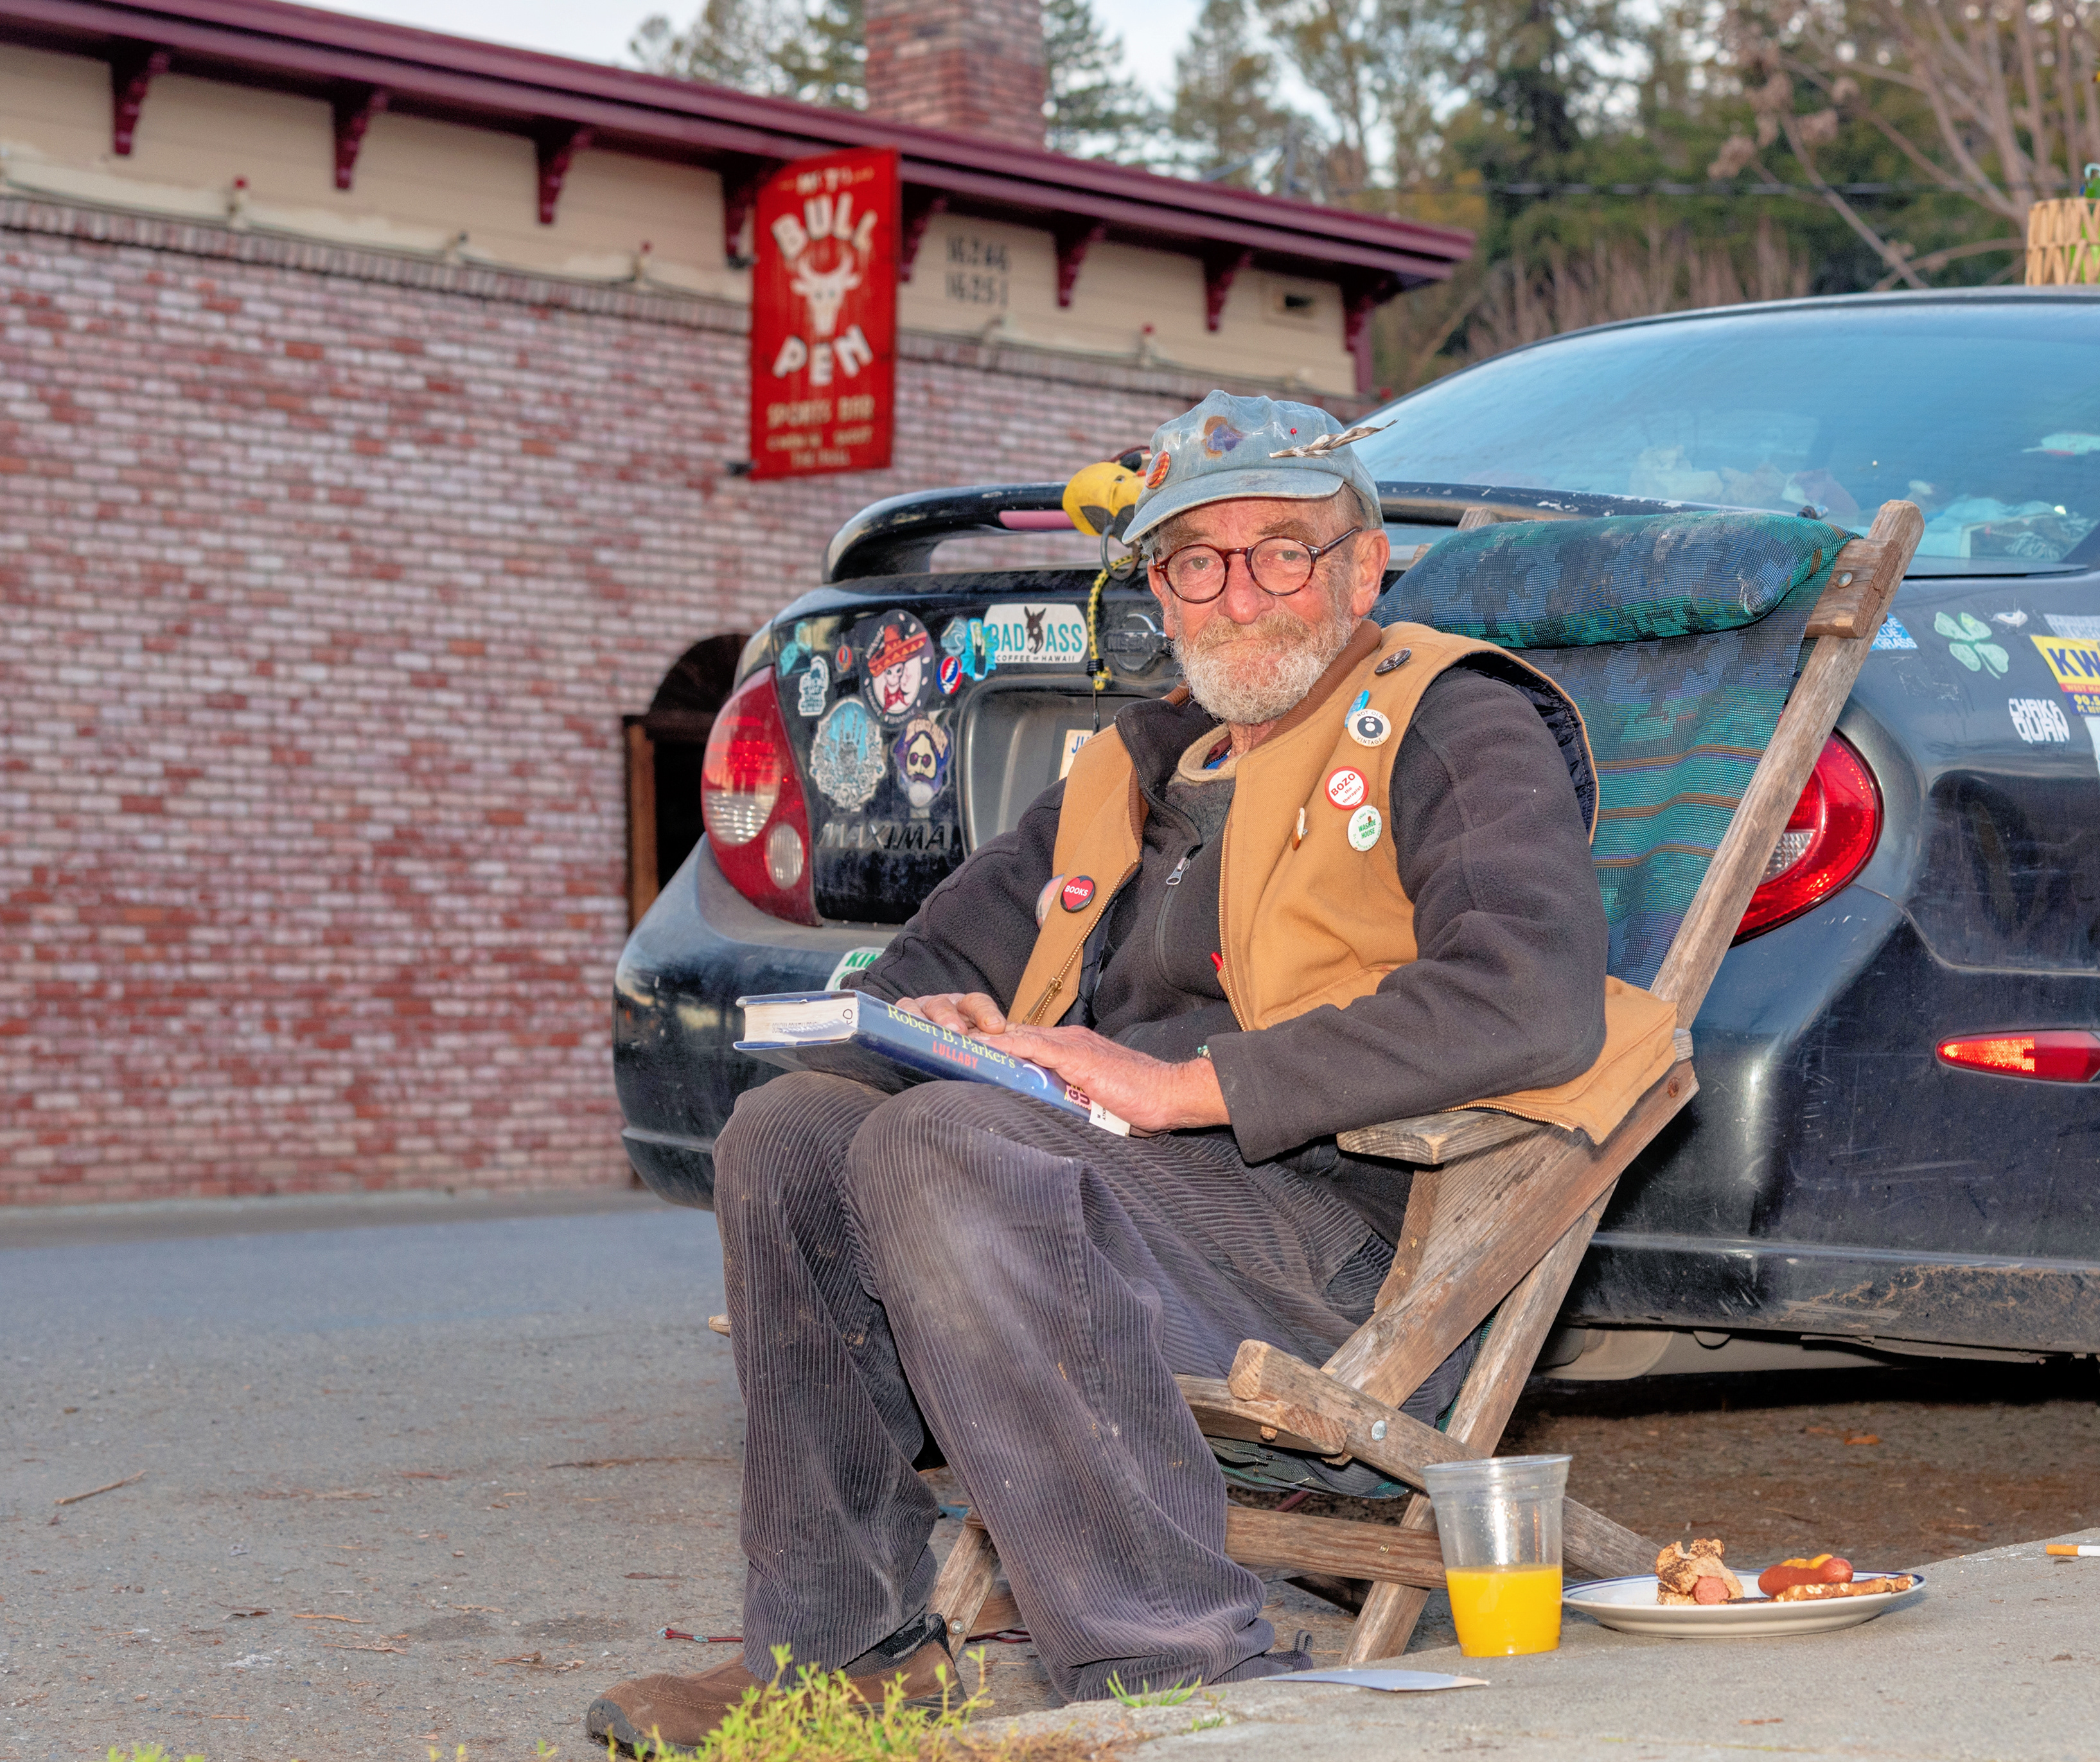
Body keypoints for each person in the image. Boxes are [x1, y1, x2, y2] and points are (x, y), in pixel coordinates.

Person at [585, 391, 1673, 1750]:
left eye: (1282, 551)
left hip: (1338, 1232)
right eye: (1195, 561)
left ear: (1362, 569)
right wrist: (938, 1027)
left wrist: (1178, 1085)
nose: (1240, 593)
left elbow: (1530, 996)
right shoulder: (1136, 766)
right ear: (1160, 588)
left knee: (942, 1145)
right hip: (1095, 1193)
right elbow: (922, 970)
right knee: (791, 1131)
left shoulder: (1453, 720)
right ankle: (848, 1657)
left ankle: (1176, 1666)